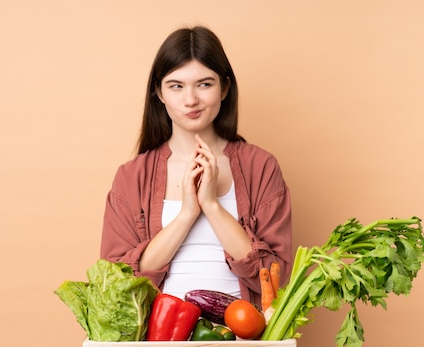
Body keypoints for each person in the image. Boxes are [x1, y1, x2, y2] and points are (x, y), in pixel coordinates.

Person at [100, 26, 292, 307]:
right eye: (176, 86)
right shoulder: (131, 177)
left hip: (244, 340)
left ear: (225, 88)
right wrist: (186, 214)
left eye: (204, 84)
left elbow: (277, 277)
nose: (190, 100)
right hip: (160, 341)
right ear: (159, 92)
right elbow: (116, 284)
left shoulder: (260, 167)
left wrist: (212, 206)